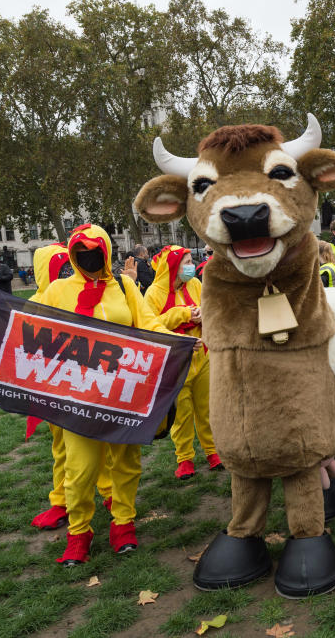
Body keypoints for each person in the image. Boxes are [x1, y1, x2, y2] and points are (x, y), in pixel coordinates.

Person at [39, 224, 177, 564]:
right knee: (80, 469)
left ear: (107, 251)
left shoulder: (125, 286)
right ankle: (79, 532)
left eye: (94, 249)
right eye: (80, 251)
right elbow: (27, 320)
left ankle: (123, 524)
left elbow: (147, 322)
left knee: (126, 463)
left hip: (124, 392)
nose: (88, 256)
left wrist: (180, 343)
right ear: (72, 254)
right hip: (77, 395)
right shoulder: (57, 289)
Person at [26, 243, 114, 532]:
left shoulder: (91, 291)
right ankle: (62, 500)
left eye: (69, 266)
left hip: (96, 383)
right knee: (63, 447)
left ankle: (110, 491)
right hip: (59, 389)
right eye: (60, 268)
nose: (69, 273)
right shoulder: (40, 301)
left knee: (104, 441)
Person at [144, 245, 223, 479]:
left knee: (207, 408)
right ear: (173, 266)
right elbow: (151, 326)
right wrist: (184, 314)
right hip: (175, 363)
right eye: (186, 261)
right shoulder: (153, 293)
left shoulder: (195, 285)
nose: (191, 265)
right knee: (182, 413)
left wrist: (202, 314)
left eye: (191, 261)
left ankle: (212, 451)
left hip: (203, 355)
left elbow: (211, 309)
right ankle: (185, 458)